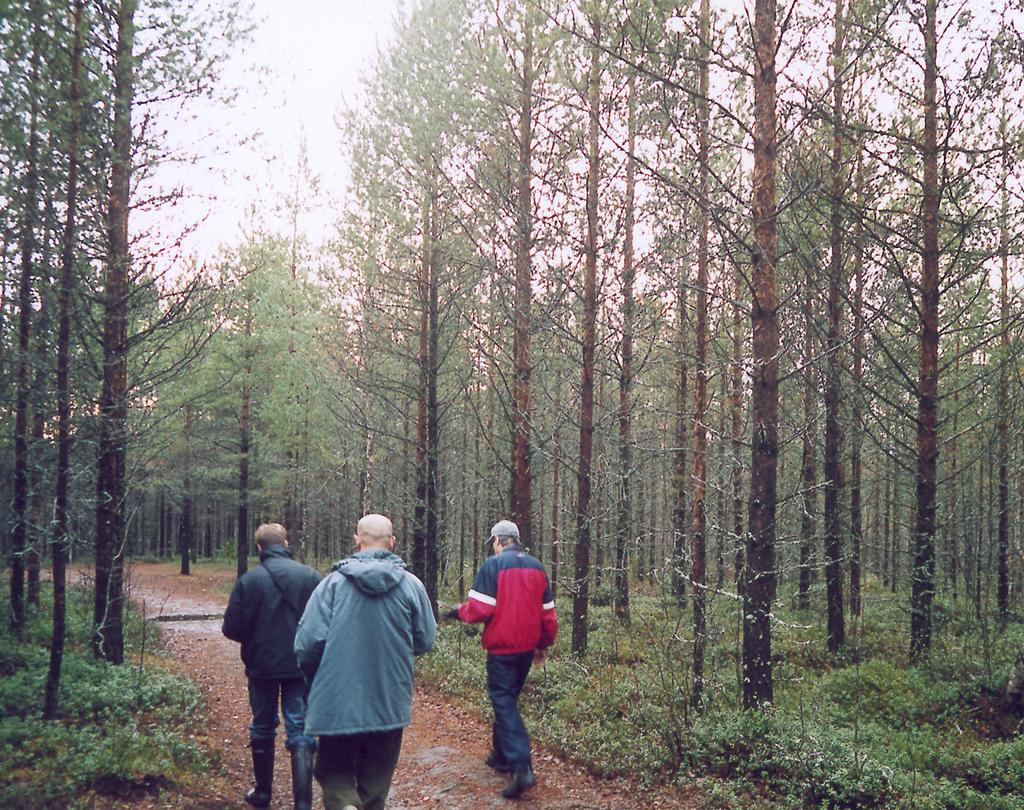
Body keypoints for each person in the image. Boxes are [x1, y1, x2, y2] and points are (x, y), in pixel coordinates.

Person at [294, 513, 436, 810]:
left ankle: (344, 804)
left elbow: (307, 645)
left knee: (333, 770)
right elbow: (425, 641)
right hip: (389, 698)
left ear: (357, 539)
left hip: (338, 699)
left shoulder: (331, 585)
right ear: (392, 543)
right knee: (376, 784)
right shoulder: (412, 586)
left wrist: (315, 678)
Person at [445, 519, 558, 799]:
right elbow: (549, 616)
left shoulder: (492, 566)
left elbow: (481, 609)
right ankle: (501, 755)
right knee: (506, 699)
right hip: (526, 649)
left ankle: (522, 767)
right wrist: (542, 644)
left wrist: (459, 611)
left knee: (504, 702)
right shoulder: (537, 567)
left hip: (503, 649)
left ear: (497, 540)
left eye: (492, 542)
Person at [222, 522, 322, 810]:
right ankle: (303, 804)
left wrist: (255, 638)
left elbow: (231, 628)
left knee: (263, 726)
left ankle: (263, 794)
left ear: (260, 548)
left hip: (261, 666)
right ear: (286, 543)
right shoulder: (310, 577)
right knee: (300, 729)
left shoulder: (248, 581)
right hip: (300, 665)